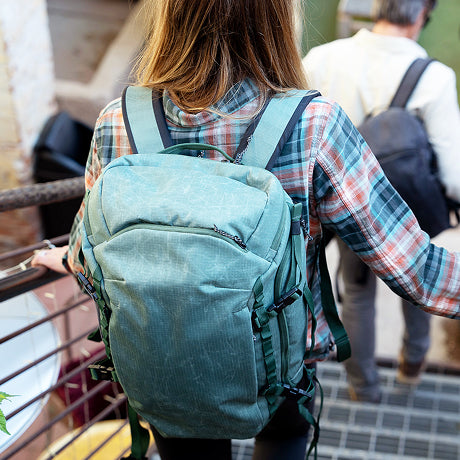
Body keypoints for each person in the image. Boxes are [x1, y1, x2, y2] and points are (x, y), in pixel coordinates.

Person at [32, 0, 460, 458]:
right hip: (277, 366)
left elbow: (86, 255)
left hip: (163, 360)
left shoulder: (119, 120)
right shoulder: (314, 125)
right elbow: (415, 268)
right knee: (284, 437)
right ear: (277, 18)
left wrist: (58, 257)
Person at [302, 0, 460, 403]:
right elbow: (454, 175)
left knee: (356, 294)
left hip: (345, 208)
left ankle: (363, 387)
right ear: (424, 14)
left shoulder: (322, 59)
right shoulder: (435, 78)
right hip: (410, 209)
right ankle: (411, 368)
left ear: (376, 7)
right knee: (418, 279)